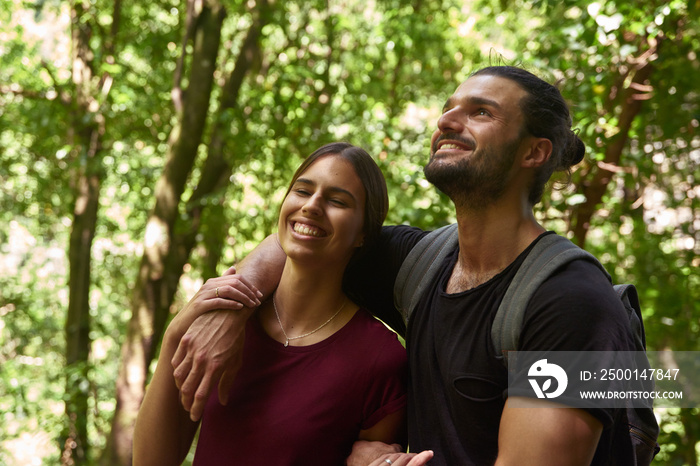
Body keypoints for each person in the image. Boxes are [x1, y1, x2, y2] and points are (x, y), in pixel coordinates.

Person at [169, 66, 636, 465]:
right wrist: (232, 305)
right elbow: (302, 238)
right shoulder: (422, 264)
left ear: (534, 152)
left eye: (481, 112)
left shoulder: (574, 303)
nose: (447, 120)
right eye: (449, 108)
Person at [134, 142, 415, 465]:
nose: (312, 206)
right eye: (302, 191)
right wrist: (177, 333)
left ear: (364, 233)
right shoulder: (221, 323)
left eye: (337, 200)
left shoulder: (380, 359)